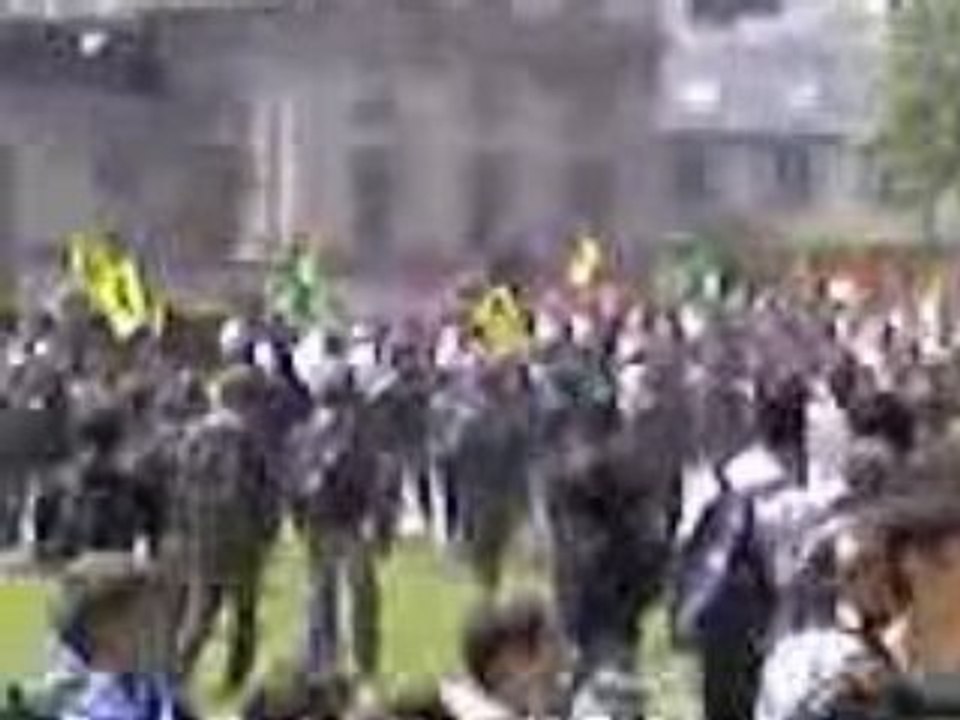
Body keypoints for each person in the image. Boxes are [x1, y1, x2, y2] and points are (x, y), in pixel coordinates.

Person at [14, 555, 192, 720]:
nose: (162, 631)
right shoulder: (84, 705)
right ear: (106, 636)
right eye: (146, 622)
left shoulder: (149, 688)